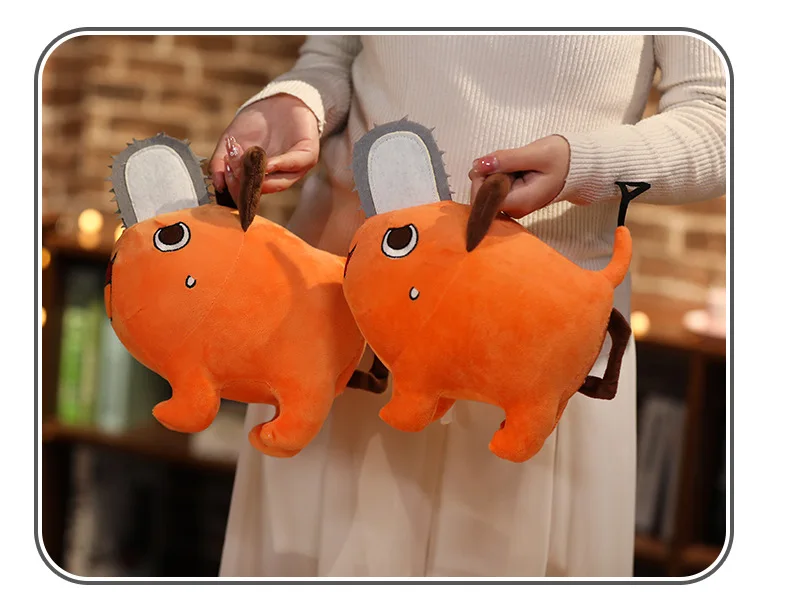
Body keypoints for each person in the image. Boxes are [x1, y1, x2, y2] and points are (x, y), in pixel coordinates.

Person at [210, 34, 726, 578]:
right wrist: (297, 101)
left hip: (531, 348)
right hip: (347, 321)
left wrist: (583, 162)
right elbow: (332, 55)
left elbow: (720, 119)